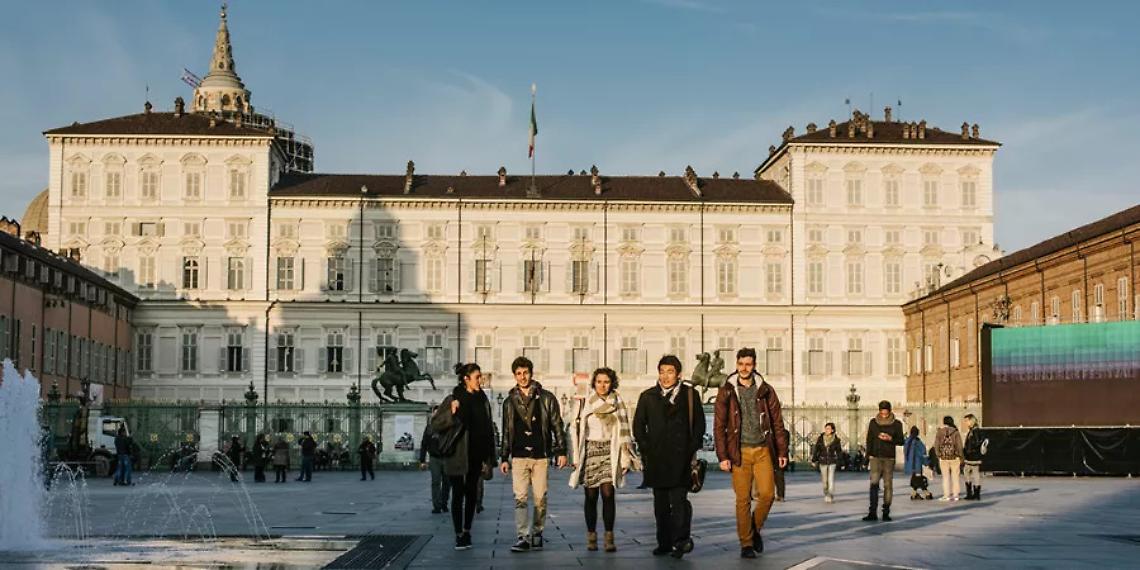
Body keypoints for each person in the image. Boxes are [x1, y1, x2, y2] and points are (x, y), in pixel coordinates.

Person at [713, 348, 788, 559]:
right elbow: (719, 426)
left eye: (748, 364)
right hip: (739, 451)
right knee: (743, 499)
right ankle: (746, 543)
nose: (744, 368)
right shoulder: (726, 390)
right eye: (741, 364)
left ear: (754, 365)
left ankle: (753, 529)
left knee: (767, 494)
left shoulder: (766, 390)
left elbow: (777, 422)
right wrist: (723, 456)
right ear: (736, 364)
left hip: (763, 449)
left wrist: (782, 450)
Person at [634, 355, 706, 560]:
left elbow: (699, 425)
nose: (665, 376)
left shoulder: (690, 395)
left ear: (678, 374)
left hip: (681, 458)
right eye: (662, 371)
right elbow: (638, 425)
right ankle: (663, 542)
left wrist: (691, 448)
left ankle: (681, 541)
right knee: (660, 505)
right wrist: (646, 447)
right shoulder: (648, 396)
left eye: (670, 372)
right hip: (656, 459)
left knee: (679, 502)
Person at [499, 356, 567, 553]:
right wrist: (504, 457)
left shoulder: (546, 398)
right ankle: (522, 536)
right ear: (514, 375)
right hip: (519, 456)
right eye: (518, 374)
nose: (522, 377)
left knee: (540, 497)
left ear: (531, 373)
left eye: (525, 373)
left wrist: (561, 451)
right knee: (519, 497)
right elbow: (506, 431)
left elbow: (556, 425)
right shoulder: (509, 402)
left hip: (540, 455)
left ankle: (537, 532)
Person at [569, 367, 640, 553]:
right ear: (594, 383)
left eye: (606, 382)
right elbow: (574, 430)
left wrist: (625, 461)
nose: (602, 385)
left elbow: (625, 435)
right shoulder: (585, 401)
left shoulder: (618, 403)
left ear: (612, 383)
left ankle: (609, 536)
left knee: (608, 494)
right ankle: (591, 535)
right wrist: (576, 457)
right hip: (590, 449)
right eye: (599, 381)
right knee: (590, 496)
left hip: (610, 450)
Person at [431, 362, 496, 551]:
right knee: (458, 494)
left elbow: (488, 429)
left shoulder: (483, 399)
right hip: (457, 453)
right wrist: (451, 412)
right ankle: (459, 533)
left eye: (480, 376)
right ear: (466, 379)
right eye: (477, 377)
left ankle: (468, 530)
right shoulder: (453, 398)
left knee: (472, 494)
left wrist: (490, 457)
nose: (481, 380)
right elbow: (435, 424)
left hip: (477, 452)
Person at [863, 400, 904, 522]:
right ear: (879, 411)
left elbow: (901, 440)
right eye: (882, 412)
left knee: (888, 485)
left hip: (889, 457)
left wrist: (890, 438)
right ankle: (872, 512)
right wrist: (867, 456)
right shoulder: (873, 423)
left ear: (890, 411)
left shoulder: (897, 424)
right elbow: (869, 439)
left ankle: (886, 511)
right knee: (874, 484)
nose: (884, 414)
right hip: (875, 456)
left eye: (886, 412)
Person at [419, 407, 451, 514]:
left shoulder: (447, 427)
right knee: (435, 482)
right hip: (434, 458)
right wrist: (422, 460)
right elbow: (424, 444)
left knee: (447, 482)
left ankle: (444, 503)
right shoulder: (429, 428)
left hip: (446, 458)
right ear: (432, 415)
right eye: (435, 413)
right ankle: (436, 505)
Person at [811, 422, 843, 504]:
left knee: (831, 479)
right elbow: (816, 450)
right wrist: (814, 460)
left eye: (828, 428)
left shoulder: (836, 440)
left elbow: (839, 451)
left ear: (832, 430)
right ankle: (826, 493)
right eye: (826, 428)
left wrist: (841, 462)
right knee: (825, 481)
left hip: (832, 461)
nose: (827, 430)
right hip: (823, 461)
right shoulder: (820, 438)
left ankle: (830, 495)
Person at [935, 416, 964, 501]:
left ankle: (946, 495)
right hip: (955, 457)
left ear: (944, 422)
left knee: (945, 477)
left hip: (943, 458)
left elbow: (936, 445)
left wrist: (938, 455)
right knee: (955, 476)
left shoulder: (940, 432)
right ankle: (956, 495)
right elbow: (959, 446)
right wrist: (961, 456)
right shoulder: (955, 432)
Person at [962, 414, 988, 501]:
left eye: (966, 421)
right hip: (974, 456)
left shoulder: (974, 431)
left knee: (968, 473)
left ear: (971, 421)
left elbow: (976, 443)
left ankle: (971, 493)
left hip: (972, 456)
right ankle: (975, 494)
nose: (965, 423)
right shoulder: (975, 430)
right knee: (974, 473)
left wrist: (969, 450)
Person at [904, 427, 933, 500]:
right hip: (917, 465)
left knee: (915, 480)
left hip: (910, 466)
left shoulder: (907, 441)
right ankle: (927, 493)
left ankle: (914, 494)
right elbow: (922, 454)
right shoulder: (918, 442)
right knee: (919, 480)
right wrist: (927, 463)